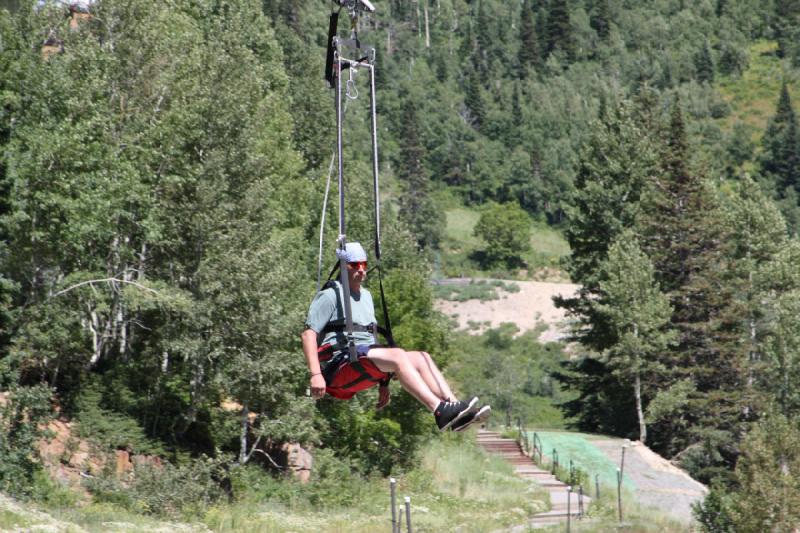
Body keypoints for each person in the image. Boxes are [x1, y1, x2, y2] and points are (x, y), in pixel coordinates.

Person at [301, 242, 490, 431]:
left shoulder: (365, 296)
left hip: (362, 359)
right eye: (354, 265)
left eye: (364, 265)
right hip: (341, 365)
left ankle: (455, 410)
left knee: (422, 356)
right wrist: (316, 374)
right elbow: (308, 335)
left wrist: (384, 383)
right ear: (343, 267)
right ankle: (439, 410)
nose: (361, 269)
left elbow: (370, 343)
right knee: (398, 354)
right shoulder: (330, 295)